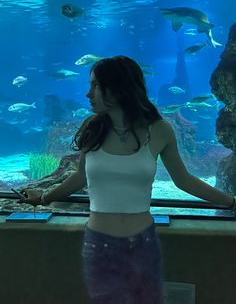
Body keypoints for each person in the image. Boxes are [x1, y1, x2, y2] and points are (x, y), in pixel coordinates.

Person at [19, 55, 236, 304]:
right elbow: (80, 178)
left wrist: (232, 202)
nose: (88, 93)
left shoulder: (160, 130)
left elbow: (184, 180)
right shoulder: (93, 129)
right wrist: (44, 198)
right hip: (99, 245)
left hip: (143, 244)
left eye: (95, 86)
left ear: (119, 88)